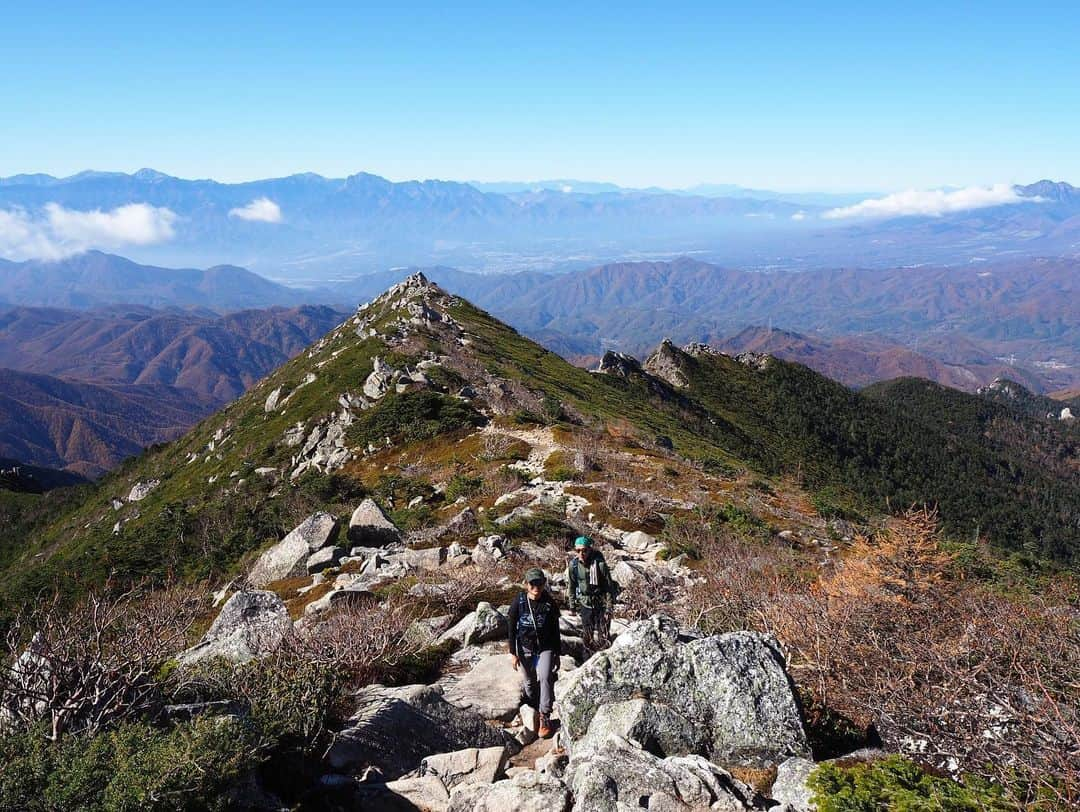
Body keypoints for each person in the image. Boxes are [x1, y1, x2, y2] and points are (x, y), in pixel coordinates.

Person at [507, 567, 561, 738]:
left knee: (545, 677)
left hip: (545, 647)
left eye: (539, 583)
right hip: (525, 647)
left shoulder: (549, 603)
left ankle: (545, 715)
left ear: (544, 584)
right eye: (532, 583)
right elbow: (511, 626)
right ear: (526, 584)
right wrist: (512, 652)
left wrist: (557, 653)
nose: (536, 587)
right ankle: (533, 706)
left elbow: (555, 629)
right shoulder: (519, 602)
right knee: (529, 682)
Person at [566, 535, 618, 651]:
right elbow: (572, 586)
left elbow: (609, 588)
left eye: (584, 550)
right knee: (587, 635)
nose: (581, 553)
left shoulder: (600, 565)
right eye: (578, 550)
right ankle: (587, 659)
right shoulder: (573, 566)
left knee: (603, 635)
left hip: (601, 604)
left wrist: (609, 608)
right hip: (585, 604)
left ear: (590, 549)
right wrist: (572, 606)